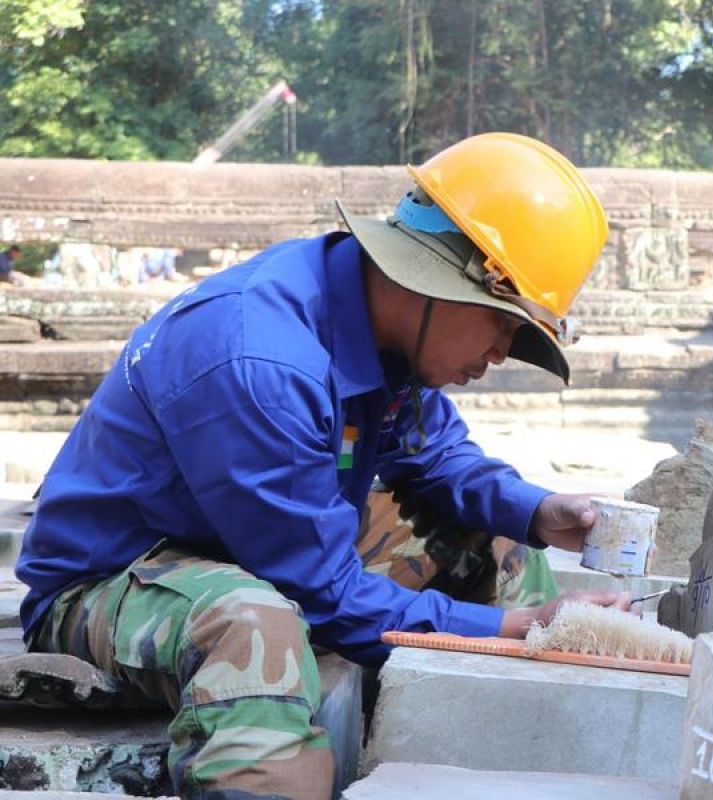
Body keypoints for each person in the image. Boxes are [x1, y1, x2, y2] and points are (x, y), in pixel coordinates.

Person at [16, 132, 627, 799]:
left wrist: (538, 512)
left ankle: (505, 765)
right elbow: (323, 596)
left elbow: (438, 456)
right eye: (503, 326)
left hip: (252, 544)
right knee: (254, 629)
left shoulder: (389, 333)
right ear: (444, 282)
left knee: (500, 538)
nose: (503, 355)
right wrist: (509, 631)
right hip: (118, 576)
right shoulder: (260, 362)